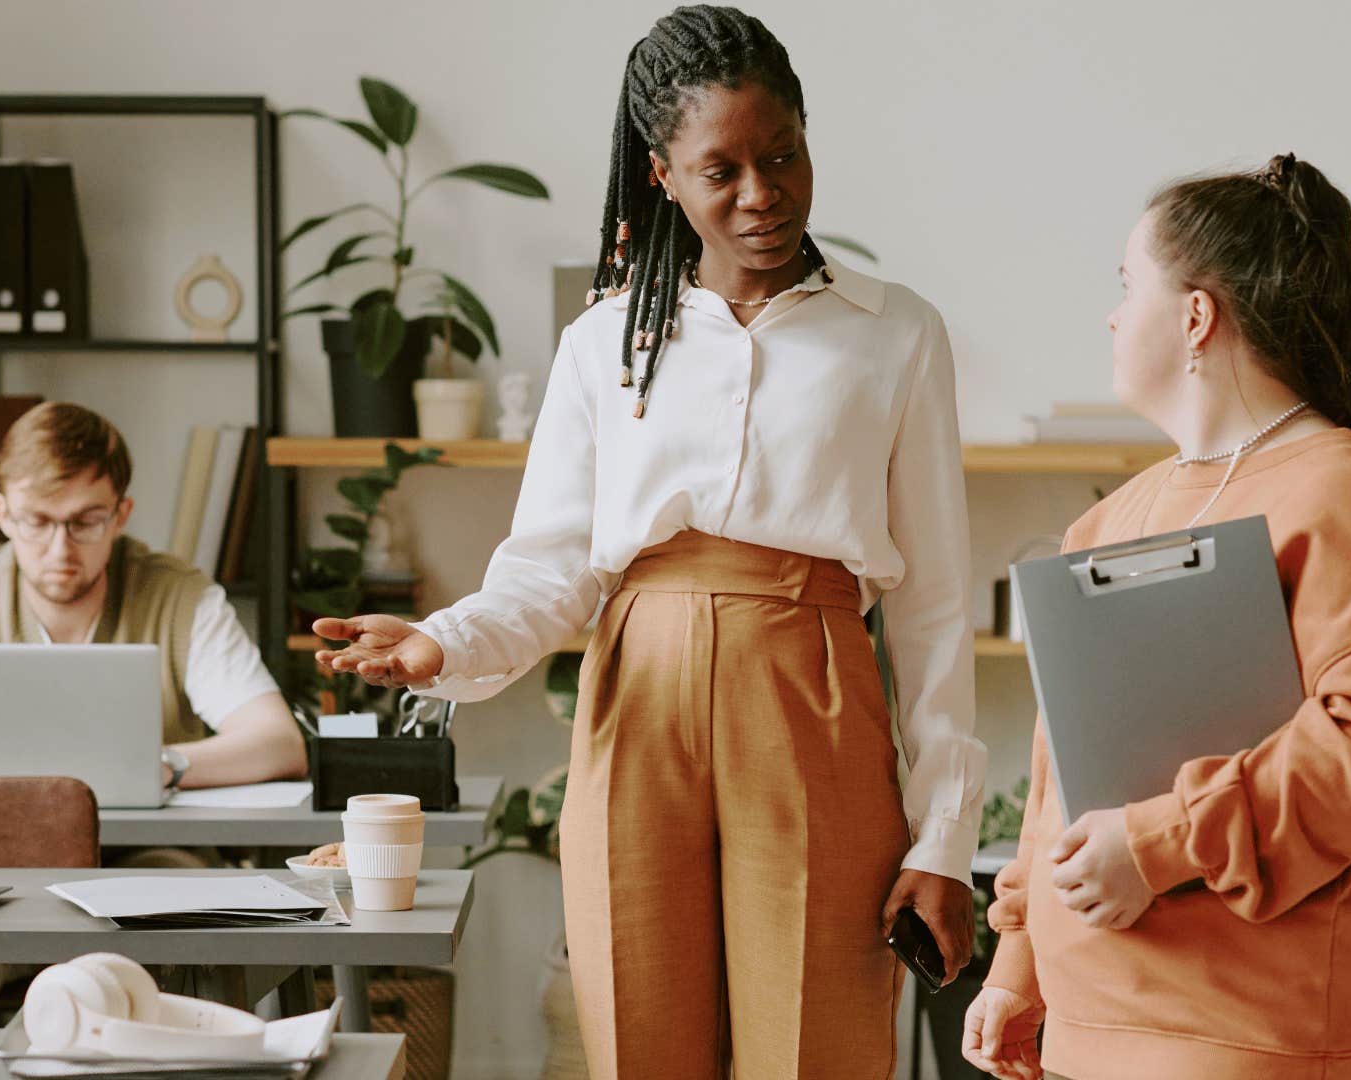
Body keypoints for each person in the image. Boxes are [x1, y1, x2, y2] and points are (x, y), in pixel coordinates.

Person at [310, 7, 984, 1075]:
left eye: (783, 156)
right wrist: (442, 643)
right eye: (722, 170)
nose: (761, 194)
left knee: (815, 1044)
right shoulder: (603, 341)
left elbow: (938, 607)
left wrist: (944, 837)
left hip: (813, 692)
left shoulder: (895, 333)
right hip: (637, 700)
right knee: (637, 1034)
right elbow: (553, 567)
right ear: (661, 173)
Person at [964, 154, 1351, 1080]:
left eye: (1126, 287)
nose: (1112, 316)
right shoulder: (1111, 517)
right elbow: (1053, 779)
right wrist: (1018, 969)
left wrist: (1154, 847)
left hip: (1250, 1041)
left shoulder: (1347, 497)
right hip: (1090, 1031)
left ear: (1195, 316)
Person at [0, 401, 307, 1025]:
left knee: (163, 947)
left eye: (86, 521)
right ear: (3, 514)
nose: (61, 548)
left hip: (143, 870)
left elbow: (278, 742)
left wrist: (154, 766)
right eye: (37, 521)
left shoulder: (179, 596)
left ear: (121, 514)